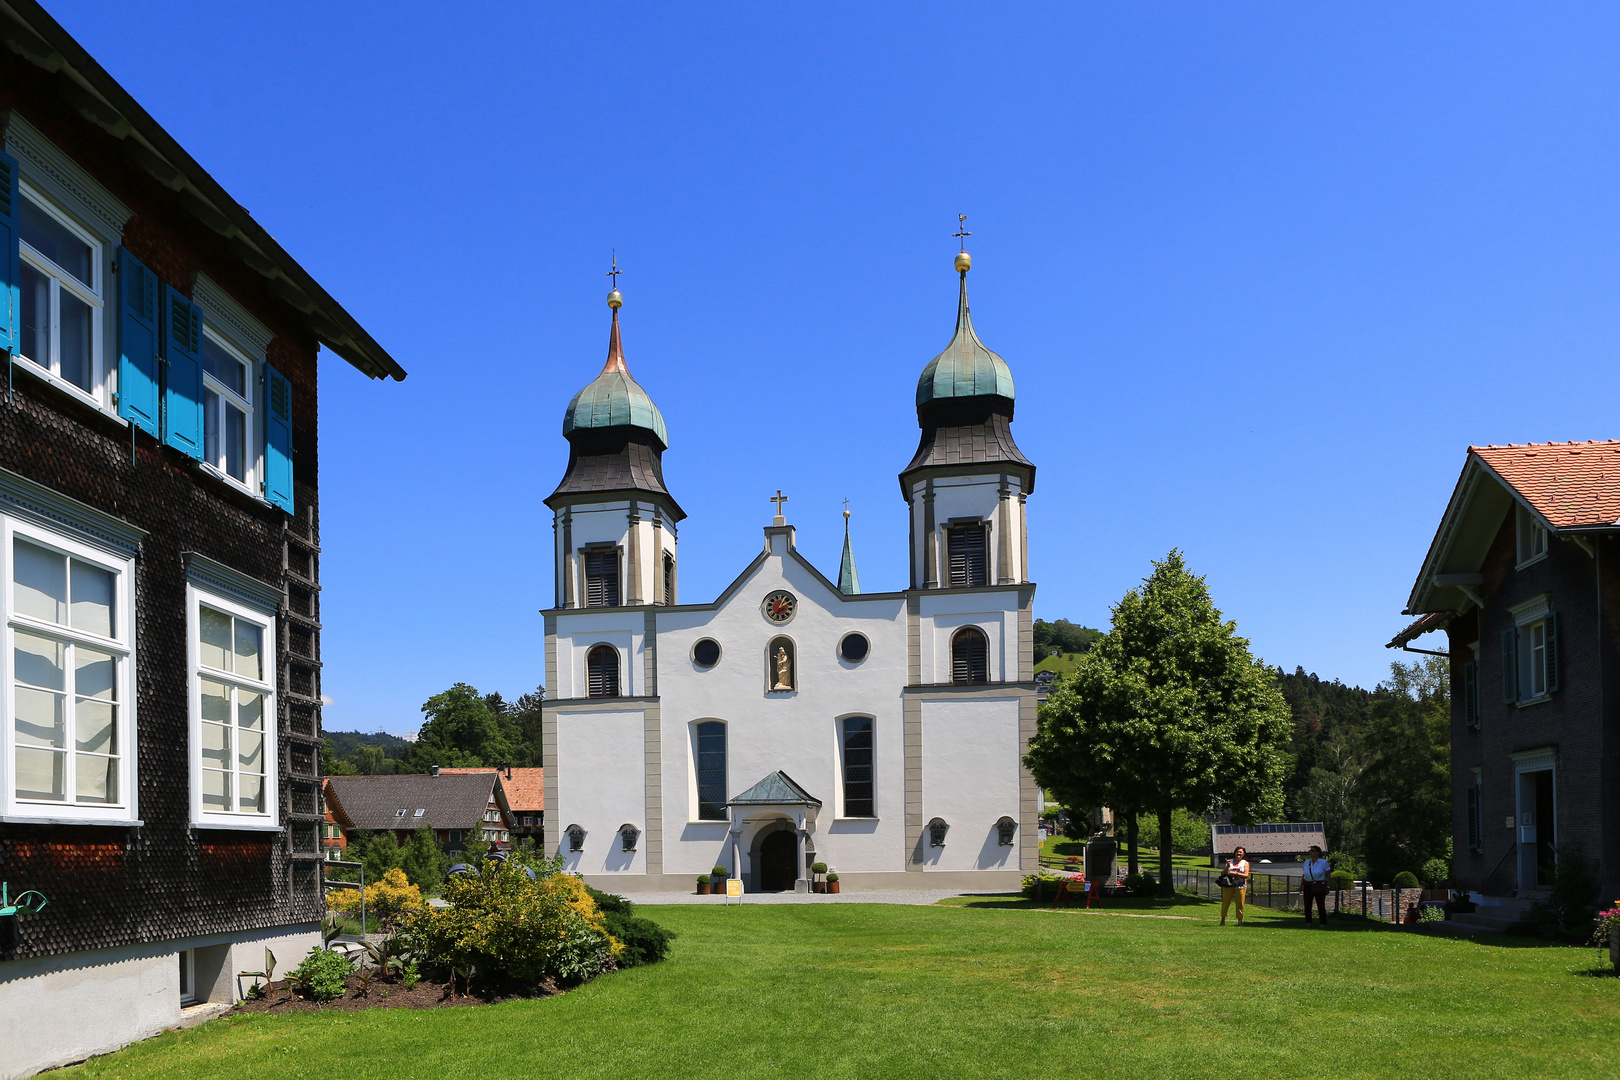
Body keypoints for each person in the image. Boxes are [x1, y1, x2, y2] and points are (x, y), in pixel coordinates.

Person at [1301, 844, 1331, 928]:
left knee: (1320, 904)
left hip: (1319, 884)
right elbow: (1304, 874)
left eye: (1312, 851)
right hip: (1308, 884)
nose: (1310, 852)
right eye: (1310, 851)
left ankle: (1322, 923)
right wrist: (1301, 884)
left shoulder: (1323, 862)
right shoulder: (1307, 862)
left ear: (1317, 853)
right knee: (1307, 905)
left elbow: (1328, 875)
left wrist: (1328, 886)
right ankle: (1308, 922)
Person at [1220, 845, 1250, 926]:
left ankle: (1240, 921)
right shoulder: (1230, 861)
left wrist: (1234, 873)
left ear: (1243, 854)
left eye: (1241, 852)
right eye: (1237, 852)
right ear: (1235, 853)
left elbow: (1246, 874)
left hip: (1240, 885)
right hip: (1229, 885)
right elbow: (1225, 873)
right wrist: (1227, 866)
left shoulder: (1245, 863)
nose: (1239, 853)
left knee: (1240, 903)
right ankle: (1222, 920)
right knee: (1225, 902)